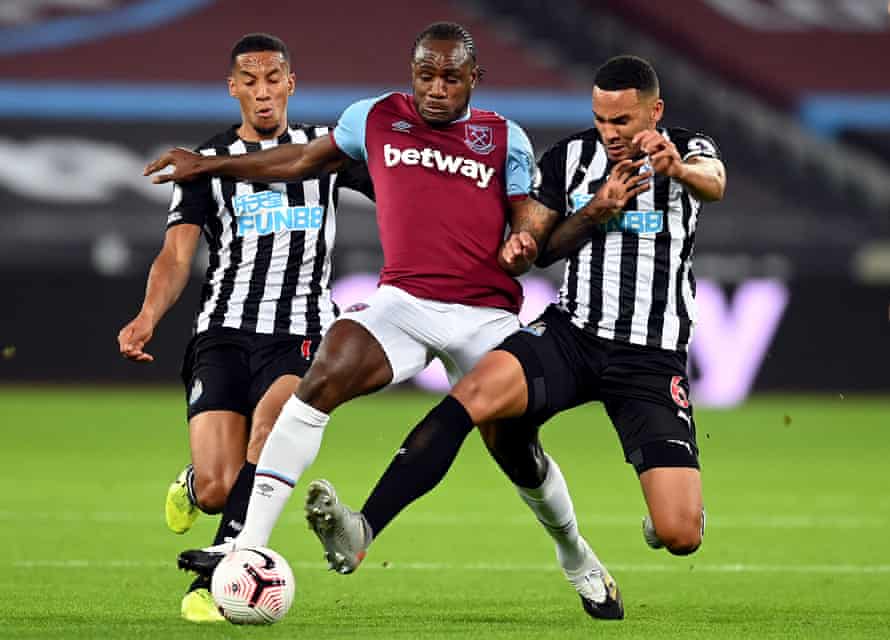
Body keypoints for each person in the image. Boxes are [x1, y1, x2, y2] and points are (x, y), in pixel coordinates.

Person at [145, 23, 645, 619]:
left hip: (487, 315)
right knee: (319, 382)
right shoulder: (375, 117)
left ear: (474, 78)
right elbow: (301, 159)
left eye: (451, 77)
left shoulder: (503, 137)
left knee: (517, 453)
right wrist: (204, 165)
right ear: (412, 74)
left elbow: (528, 226)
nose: (436, 88)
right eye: (426, 75)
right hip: (402, 303)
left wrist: (524, 244)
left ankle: (577, 557)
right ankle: (245, 545)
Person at [301, 54, 726, 621]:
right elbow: (542, 247)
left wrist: (676, 169)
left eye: (624, 121)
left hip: (650, 359)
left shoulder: (688, 148)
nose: (610, 133)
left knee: (680, 535)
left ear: (656, 111)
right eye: (602, 118)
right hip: (572, 335)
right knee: (470, 397)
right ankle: (363, 529)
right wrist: (581, 218)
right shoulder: (570, 159)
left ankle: (668, 509)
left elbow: (714, 184)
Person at [119, 32, 372, 623]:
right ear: (233, 87)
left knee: (270, 430)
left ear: (291, 83)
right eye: (249, 81)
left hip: (302, 332)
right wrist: (148, 315)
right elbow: (176, 256)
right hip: (224, 334)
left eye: (273, 79)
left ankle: (217, 577)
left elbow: (399, 188)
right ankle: (193, 484)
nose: (263, 93)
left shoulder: (325, 151)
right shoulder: (204, 164)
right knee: (216, 488)